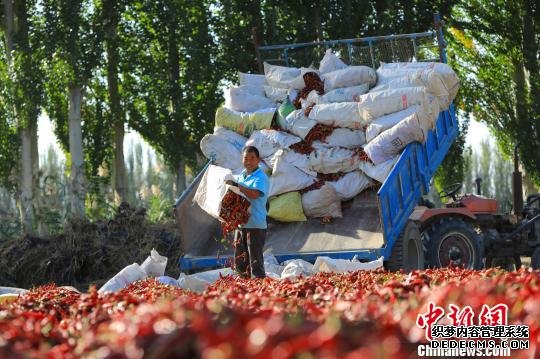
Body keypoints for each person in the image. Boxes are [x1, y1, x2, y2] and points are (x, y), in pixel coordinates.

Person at [226, 146, 269, 278]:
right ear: (242, 159)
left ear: (258, 160)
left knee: (255, 262)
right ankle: (243, 291)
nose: (248, 161)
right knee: (240, 260)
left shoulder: (261, 177)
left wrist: (238, 186)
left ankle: (259, 291)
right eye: (245, 158)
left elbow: (255, 194)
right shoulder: (242, 176)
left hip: (255, 225)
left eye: (252, 158)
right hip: (241, 224)